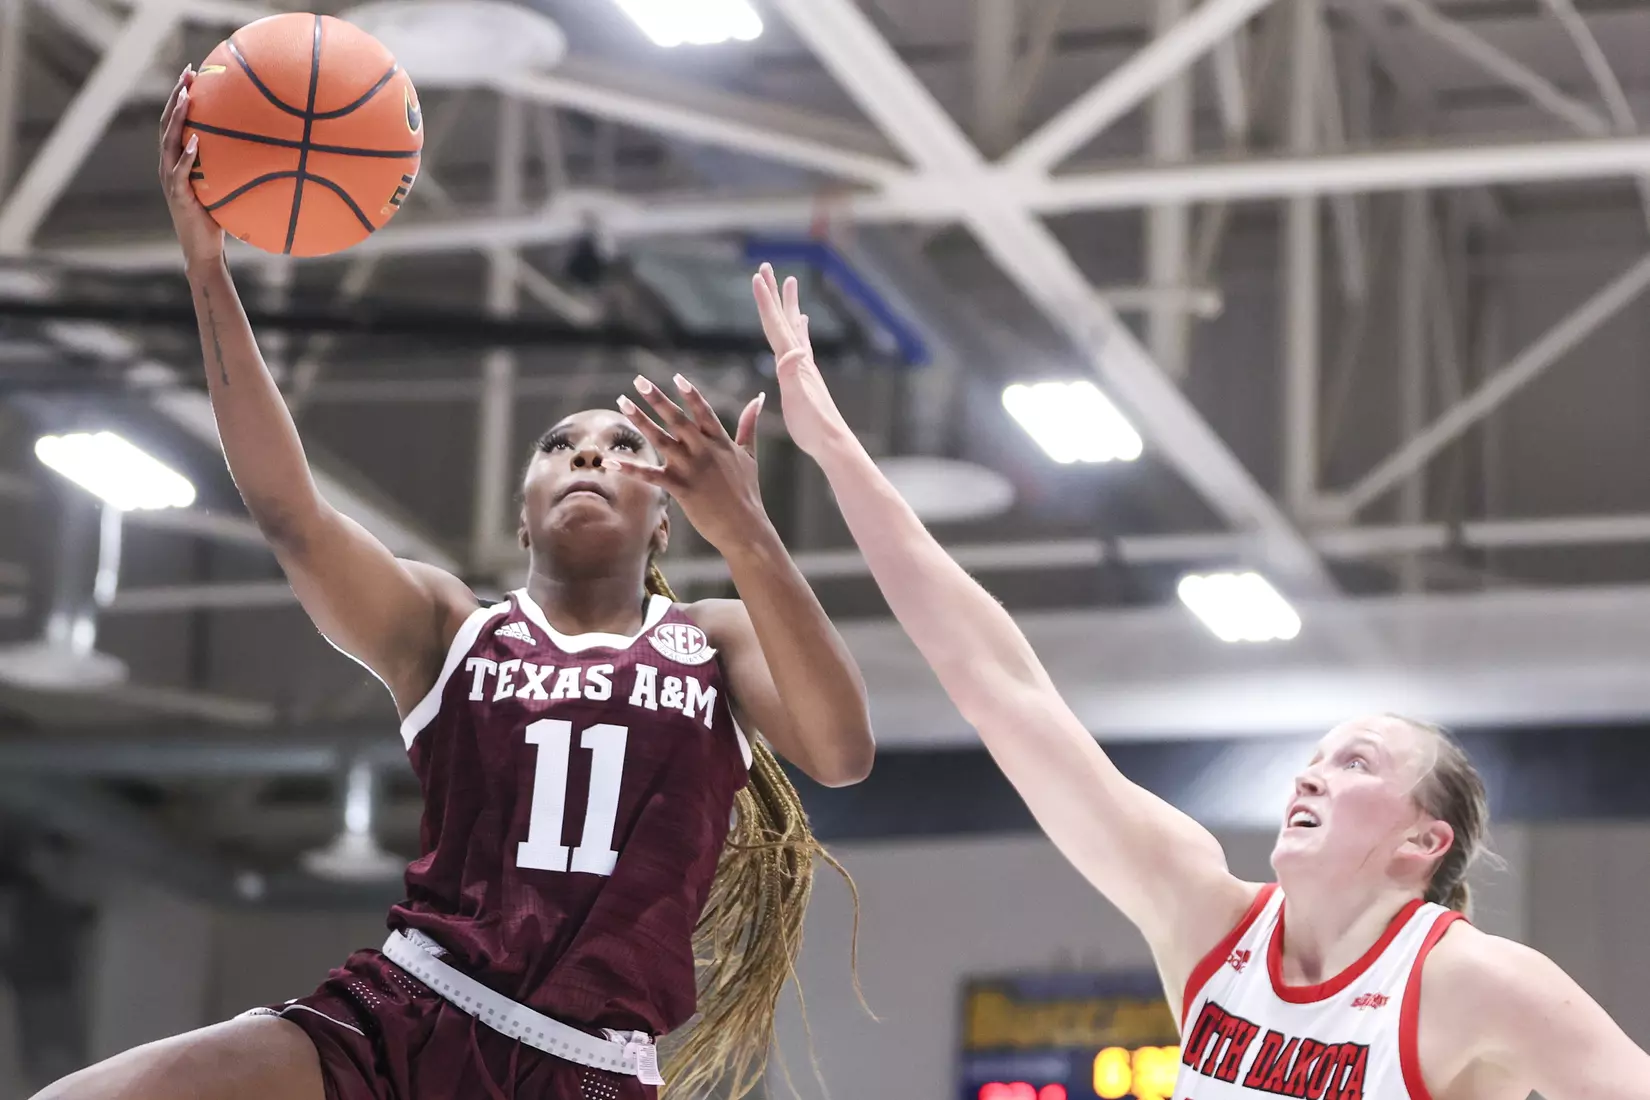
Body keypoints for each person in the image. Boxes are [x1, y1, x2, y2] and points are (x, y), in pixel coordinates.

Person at [34, 69, 874, 1100]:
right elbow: (291, 511)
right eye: (559, 445)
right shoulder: (449, 627)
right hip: (408, 1009)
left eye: (618, 445)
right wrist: (206, 262)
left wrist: (750, 532)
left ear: (666, 512)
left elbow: (841, 748)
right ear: (520, 510)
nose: (587, 457)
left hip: (585, 1065)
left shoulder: (711, 638)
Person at [748, 264, 1650, 1099]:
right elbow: (999, 685)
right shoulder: (1206, 922)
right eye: (1317, 758)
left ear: (1424, 840)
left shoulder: (1475, 982)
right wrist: (832, 444)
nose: (1311, 775)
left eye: (1357, 764)